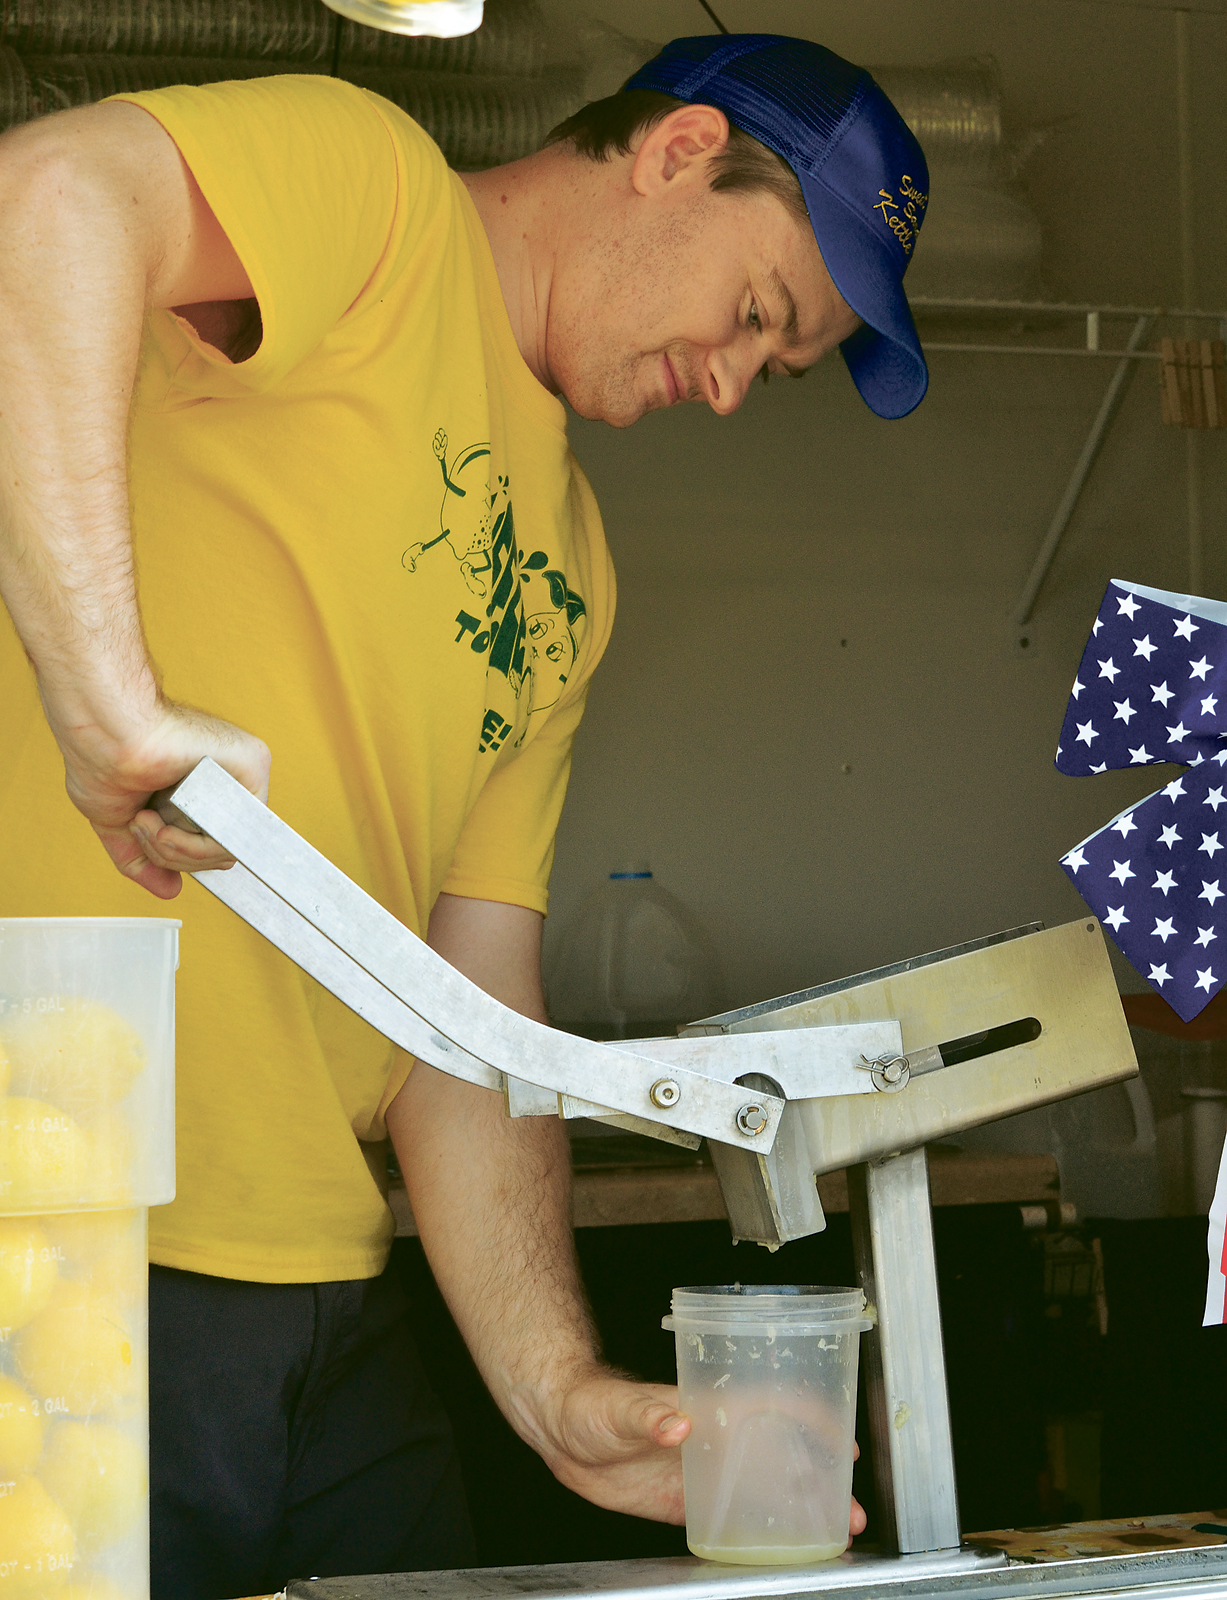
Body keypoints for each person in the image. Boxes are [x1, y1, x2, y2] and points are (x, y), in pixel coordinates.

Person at [0, 31, 928, 1599]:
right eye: (758, 314)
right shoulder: (382, 203)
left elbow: (469, 1008)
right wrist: (103, 697)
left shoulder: (569, 565)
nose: (727, 385)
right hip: (52, 1226)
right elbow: (44, 201)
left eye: (767, 371)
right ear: (679, 154)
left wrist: (559, 1399)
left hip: (323, 1284)